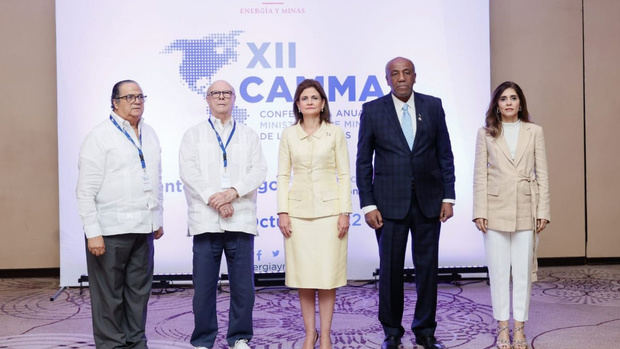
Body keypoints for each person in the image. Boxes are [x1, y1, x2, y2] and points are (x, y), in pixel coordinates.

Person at [356, 57, 455, 349]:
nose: (401, 78)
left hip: (429, 202)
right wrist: (368, 204)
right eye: (395, 74)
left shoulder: (433, 106)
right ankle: (392, 332)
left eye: (406, 72)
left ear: (415, 76)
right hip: (388, 206)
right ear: (387, 79)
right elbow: (363, 162)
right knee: (390, 271)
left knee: (428, 269)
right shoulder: (373, 110)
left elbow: (445, 154)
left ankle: (425, 330)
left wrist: (448, 196)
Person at [180, 80, 267, 349]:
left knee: (243, 287)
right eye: (215, 93)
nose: (221, 97)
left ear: (234, 99)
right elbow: (188, 172)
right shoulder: (193, 135)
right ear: (206, 99)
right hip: (205, 221)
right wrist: (215, 199)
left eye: (226, 93)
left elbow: (259, 171)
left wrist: (232, 193)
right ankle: (203, 340)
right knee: (204, 288)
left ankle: (239, 337)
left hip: (240, 218)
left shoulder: (248, 134)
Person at [76, 80, 164, 348]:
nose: (136, 101)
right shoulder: (99, 136)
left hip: (143, 228)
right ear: (115, 103)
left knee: (139, 294)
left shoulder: (149, 133)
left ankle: (136, 343)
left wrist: (157, 219)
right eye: (129, 97)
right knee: (108, 298)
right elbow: (84, 190)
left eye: (140, 96)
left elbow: (155, 179)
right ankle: (111, 345)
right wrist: (93, 233)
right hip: (109, 231)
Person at [473, 81, 550, 349]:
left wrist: (543, 210)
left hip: (526, 207)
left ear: (520, 103)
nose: (508, 102)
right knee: (498, 272)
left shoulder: (534, 132)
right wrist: (479, 211)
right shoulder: (486, 133)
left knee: (522, 273)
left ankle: (519, 328)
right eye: (503, 98)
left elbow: (542, 174)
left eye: (513, 98)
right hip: (494, 209)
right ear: (496, 104)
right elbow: (480, 175)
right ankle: (502, 327)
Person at [277, 79, 352, 349]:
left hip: (330, 213)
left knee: (327, 277)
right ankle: (310, 333)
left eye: (314, 97)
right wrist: (283, 211)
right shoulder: (288, 134)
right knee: (304, 278)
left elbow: (344, 174)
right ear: (297, 105)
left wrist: (344, 212)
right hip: (297, 214)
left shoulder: (335, 133)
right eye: (304, 98)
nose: (309, 101)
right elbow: (283, 174)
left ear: (322, 104)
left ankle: (327, 334)